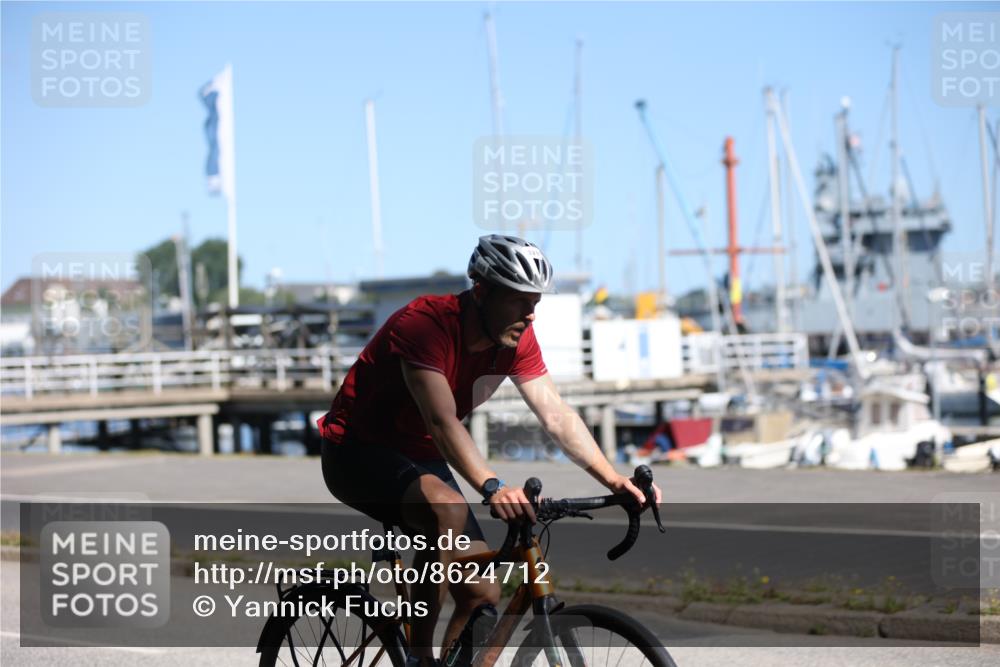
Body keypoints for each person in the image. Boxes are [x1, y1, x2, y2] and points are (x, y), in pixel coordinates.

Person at [318, 234, 662, 667]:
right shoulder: (424, 324)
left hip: (418, 456)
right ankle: (420, 660)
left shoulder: (517, 340)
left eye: (535, 301)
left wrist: (614, 479)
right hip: (356, 451)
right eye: (520, 300)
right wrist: (493, 486)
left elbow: (556, 414)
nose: (531, 313)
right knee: (445, 509)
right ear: (482, 291)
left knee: (481, 594)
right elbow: (442, 422)